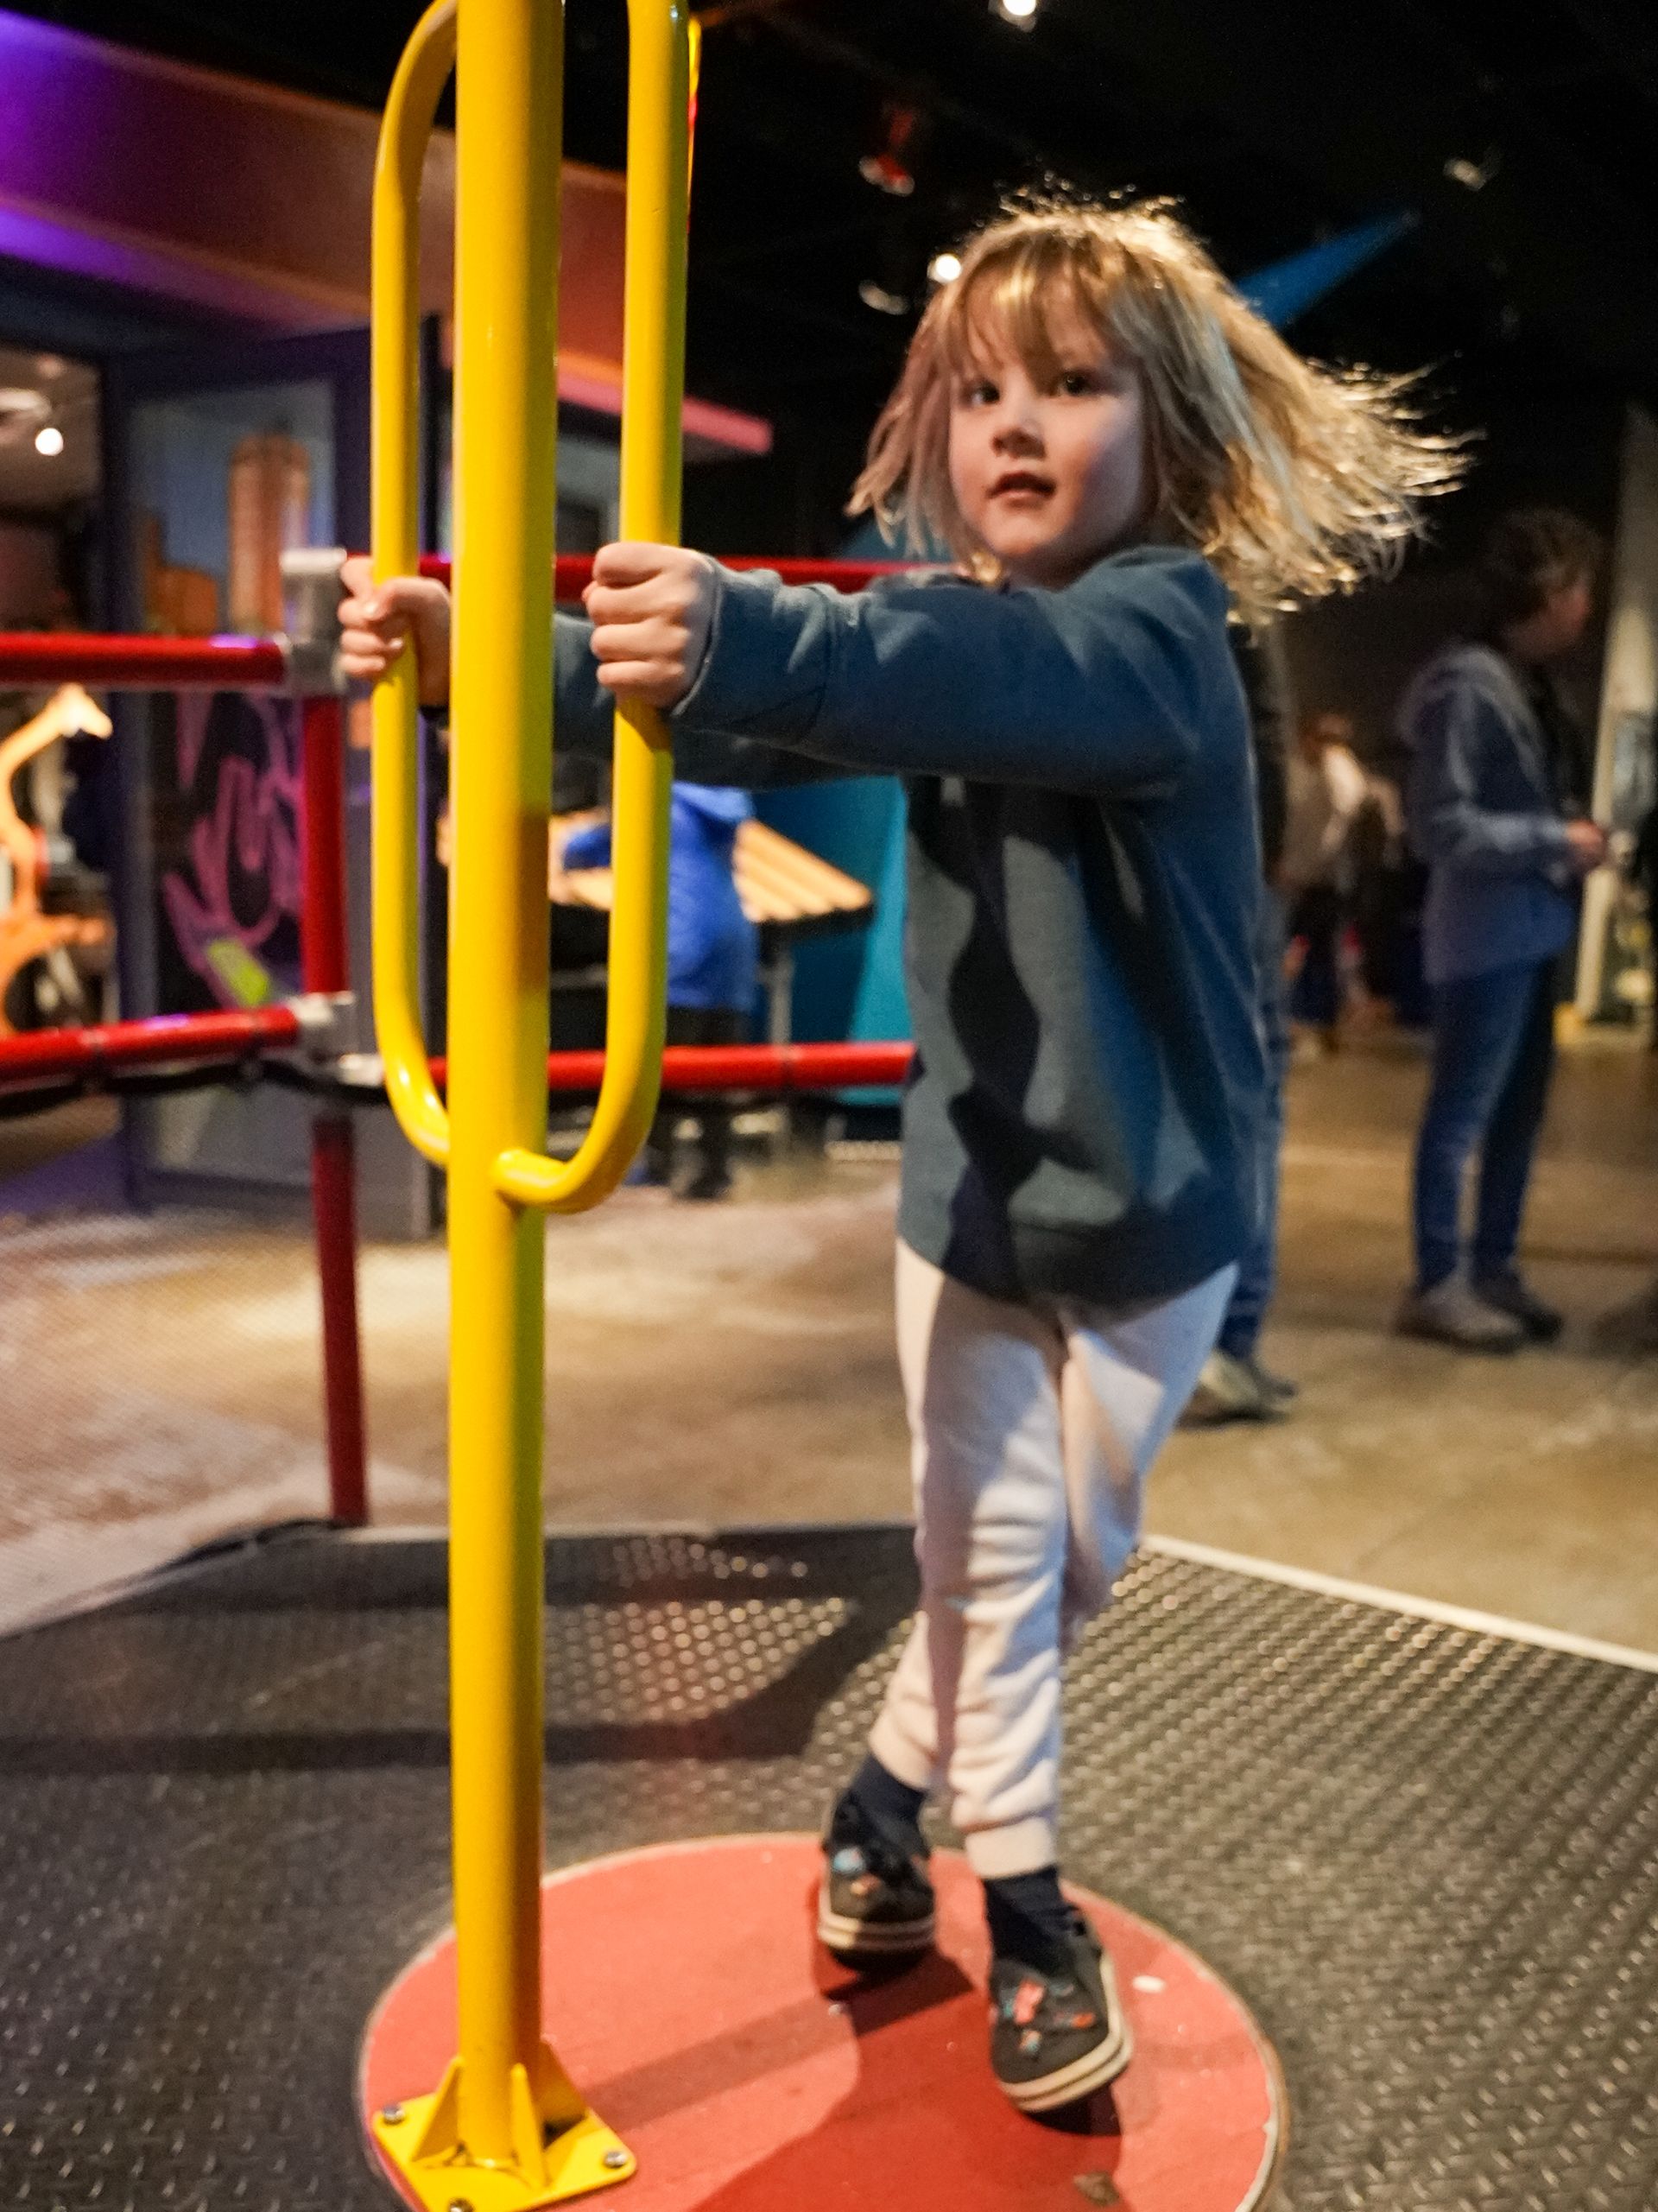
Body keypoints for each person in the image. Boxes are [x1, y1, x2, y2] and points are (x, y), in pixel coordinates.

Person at [339, 197, 1457, 2114]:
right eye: (983, 392)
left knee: (1053, 1569)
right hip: (974, 1204)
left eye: (1077, 387)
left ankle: (874, 1804)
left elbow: (960, 679)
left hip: (1167, 1216)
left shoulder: (1159, 640)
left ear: (1169, 432)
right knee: (997, 1557)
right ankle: (1020, 1912)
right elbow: (736, 719)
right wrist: (477, 660)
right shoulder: (966, 638)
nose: (1017, 426)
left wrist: (755, 625)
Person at [1397, 507, 1606, 1353]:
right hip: (1485, 938)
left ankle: (1493, 1267)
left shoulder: (1524, 681)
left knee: (1516, 1118)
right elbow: (1440, 827)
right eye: (1582, 587)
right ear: (1549, 590)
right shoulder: (1468, 684)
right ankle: (1438, 1282)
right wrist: (1556, 840)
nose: (1588, 606)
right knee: (1461, 1117)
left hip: (1528, 930)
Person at [1184, 620, 1300, 1423]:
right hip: (1227, 871)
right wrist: (1263, 856)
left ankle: (1219, 1342)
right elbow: (1262, 725)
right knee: (1248, 1103)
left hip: (1198, 869)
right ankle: (1224, 1342)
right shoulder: (1222, 573)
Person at [560, 781, 757, 1199]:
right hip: (733, 941)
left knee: (661, 1064)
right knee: (719, 1070)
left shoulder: (654, 794)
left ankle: (657, 1163)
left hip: (681, 943)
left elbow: (593, 848)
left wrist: (572, 845)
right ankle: (715, 1170)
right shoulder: (724, 799)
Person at [1281, 709, 1368, 1052]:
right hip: (1328, 875)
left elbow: (1333, 827)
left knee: (1317, 950)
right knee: (1322, 950)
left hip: (1327, 878)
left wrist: (1307, 869)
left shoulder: (1335, 768)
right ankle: (1318, 1023)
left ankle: (1320, 1023)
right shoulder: (1336, 769)